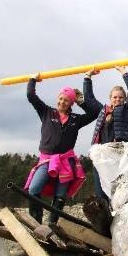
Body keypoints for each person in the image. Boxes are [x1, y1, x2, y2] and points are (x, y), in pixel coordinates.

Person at [25, 73, 99, 223]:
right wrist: (33, 80)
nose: (62, 102)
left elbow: (96, 112)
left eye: (66, 100)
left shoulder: (75, 120)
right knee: (33, 190)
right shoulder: (46, 112)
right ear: (57, 99)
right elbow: (31, 95)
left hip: (66, 162)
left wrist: (82, 102)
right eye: (60, 99)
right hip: (47, 160)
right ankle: (36, 222)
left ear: (71, 103)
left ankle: (52, 224)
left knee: (60, 196)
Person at [83, 66, 128, 202]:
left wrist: (124, 72)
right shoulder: (103, 111)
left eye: (120, 97)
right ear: (110, 98)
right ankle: (105, 217)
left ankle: (118, 214)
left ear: (125, 99)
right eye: (115, 97)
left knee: (117, 190)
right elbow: (89, 99)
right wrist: (87, 77)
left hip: (118, 154)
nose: (117, 100)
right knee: (100, 190)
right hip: (102, 155)